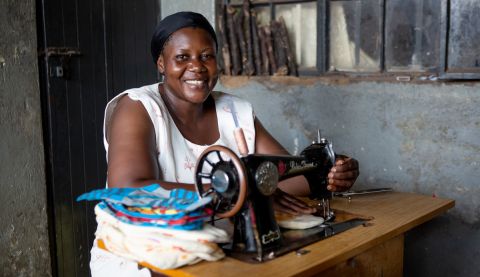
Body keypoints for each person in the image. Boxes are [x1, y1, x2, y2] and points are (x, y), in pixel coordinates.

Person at [92, 11, 359, 276]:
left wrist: (326, 173)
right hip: (142, 255)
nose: (197, 66)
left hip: (211, 248)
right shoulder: (138, 107)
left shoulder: (235, 112)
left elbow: (280, 176)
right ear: (161, 63)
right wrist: (239, 191)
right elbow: (129, 188)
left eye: (206, 56)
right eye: (182, 57)